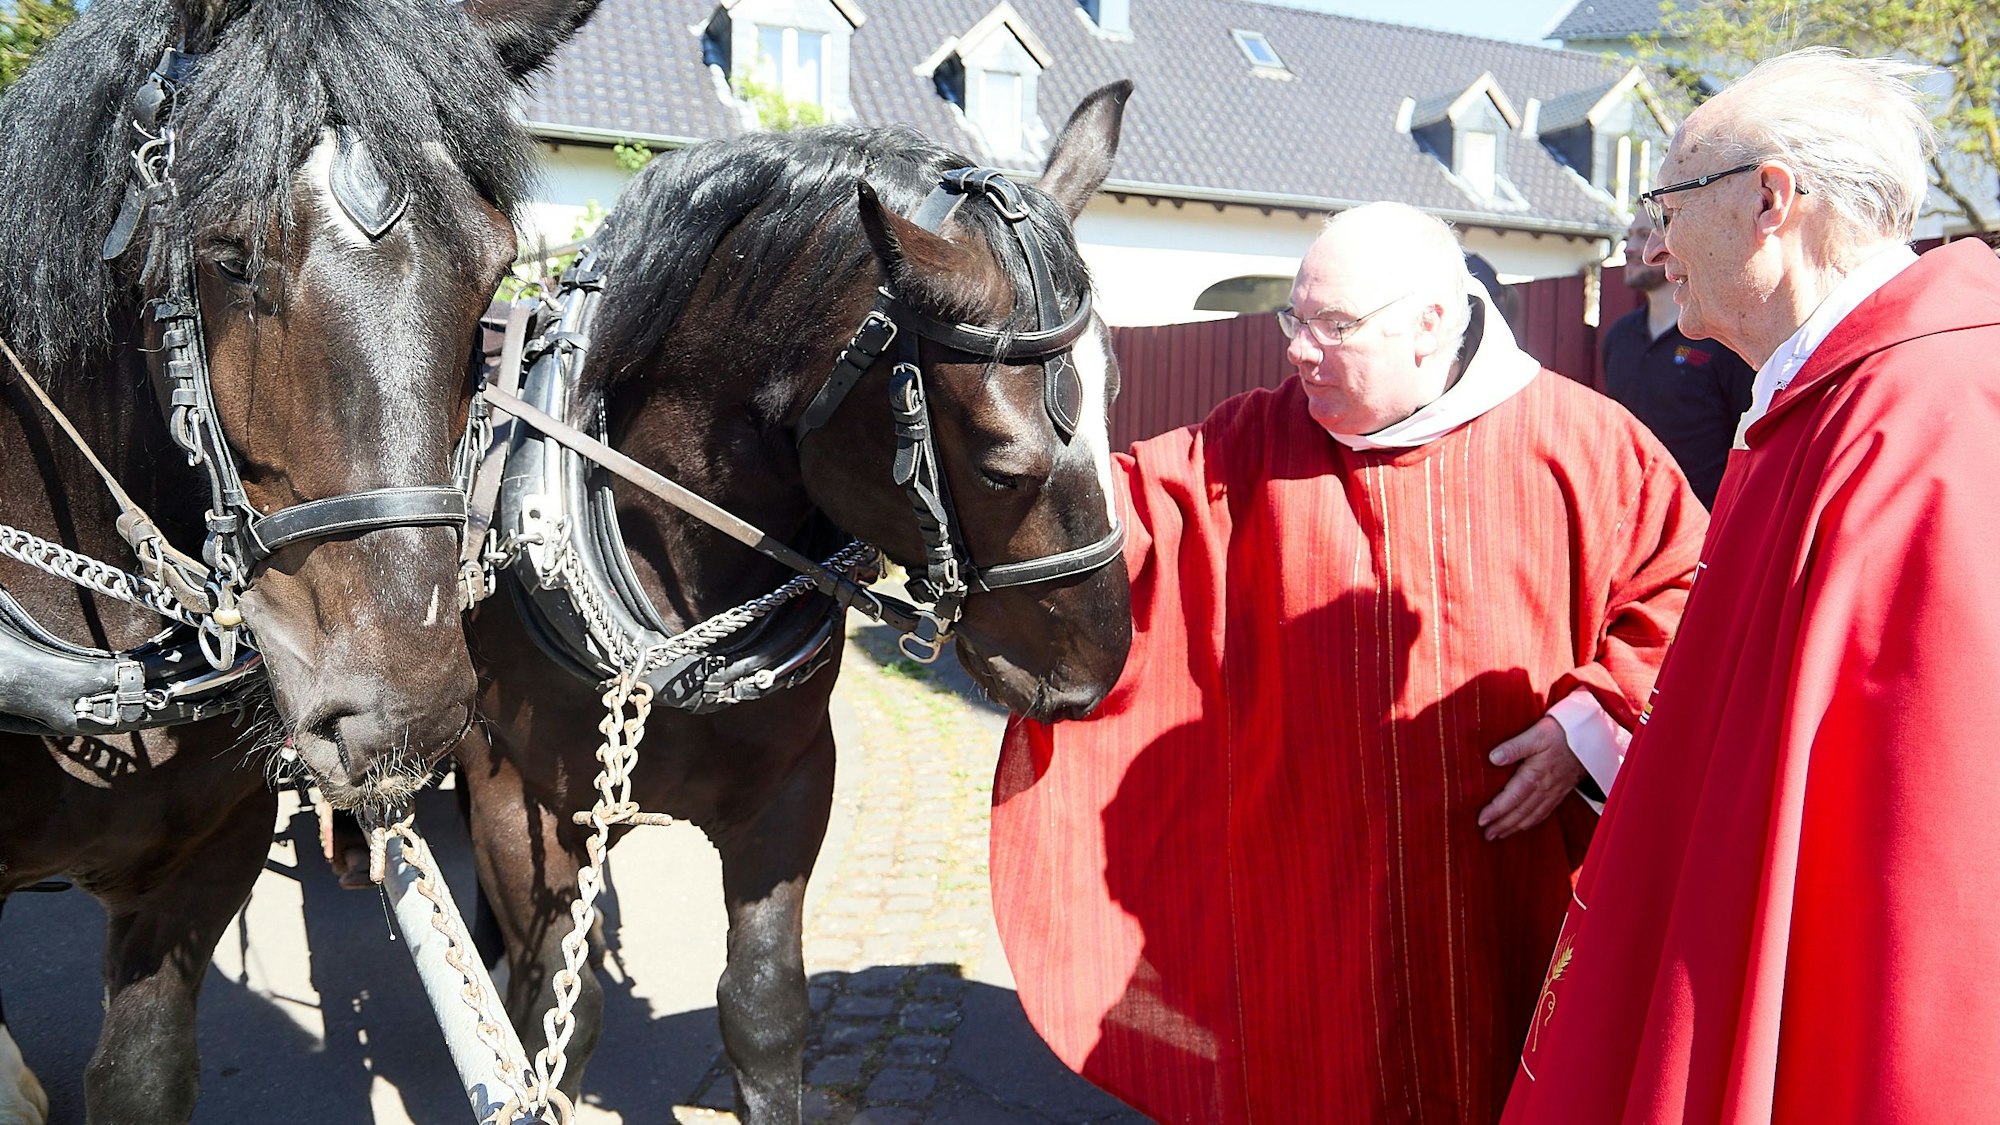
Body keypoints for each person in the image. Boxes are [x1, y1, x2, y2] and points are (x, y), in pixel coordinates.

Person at [989, 201, 1708, 1122]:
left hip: (1514, 883)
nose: (1298, 349)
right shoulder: (1248, 445)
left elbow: (1687, 588)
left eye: (1335, 327)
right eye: (1297, 319)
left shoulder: (1587, 446)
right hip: (1320, 890)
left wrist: (1590, 722)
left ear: (1431, 326)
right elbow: (1123, 520)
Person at [1504, 49, 2000, 1122]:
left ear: (1769, 201)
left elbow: (1930, 829)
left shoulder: (1926, 410)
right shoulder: (1823, 392)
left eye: (1668, 201)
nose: (1655, 240)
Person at [1600, 209, 1756, 506]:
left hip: (1703, 529)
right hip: (1628, 524)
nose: (1631, 248)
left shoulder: (1720, 338)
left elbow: (1749, 446)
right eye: (1629, 236)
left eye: (1645, 235)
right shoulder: (1618, 337)